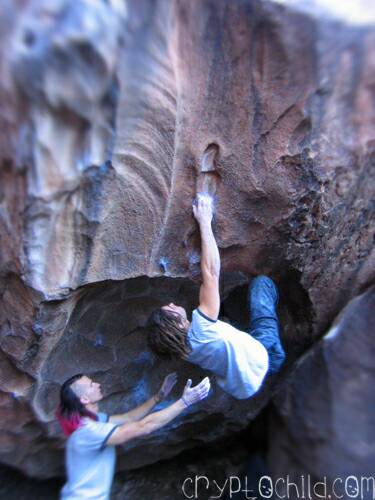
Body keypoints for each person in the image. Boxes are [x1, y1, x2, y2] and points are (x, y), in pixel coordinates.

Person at [148, 193, 286, 399]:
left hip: (245, 386)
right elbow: (211, 272)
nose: (170, 303)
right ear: (177, 325)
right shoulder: (201, 326)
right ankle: (285, 323)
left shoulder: (183, 350)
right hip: (266, 354)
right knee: (261, 285)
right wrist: (205, 221)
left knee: (225, 322)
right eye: (168, 309)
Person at [57, 372, 210, 499]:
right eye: (91, 385)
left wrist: (159, 396)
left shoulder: (95, 421)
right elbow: (144, 427)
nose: (97, 384)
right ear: (84, 399)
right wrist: (185, 402)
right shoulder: (89, 431)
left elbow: (128, 418)